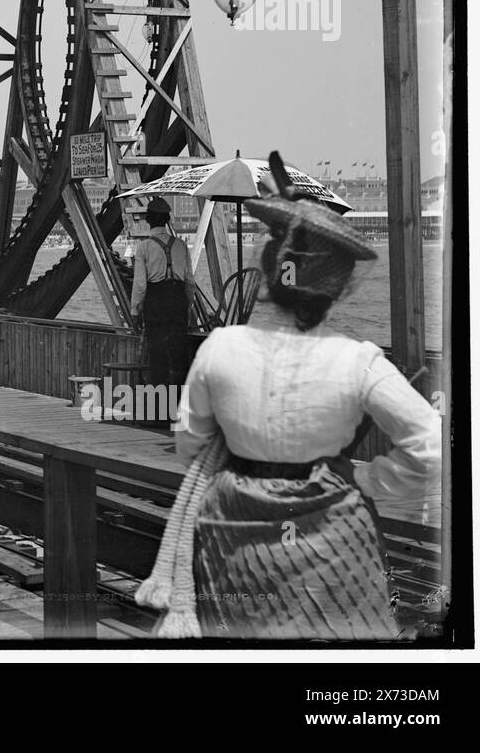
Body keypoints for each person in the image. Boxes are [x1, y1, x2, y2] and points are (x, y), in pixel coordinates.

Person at [137, 161, 442, 640]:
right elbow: (430, 445)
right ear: (338, 288)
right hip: (335, 536)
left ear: (268, 272)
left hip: (233, 532)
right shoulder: (358, 362)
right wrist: (366, 477)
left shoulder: (221, 350)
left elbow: (190, 446)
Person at [130, 196, 194, 387]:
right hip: (178, 301)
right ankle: (178, 404)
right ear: (167, 220)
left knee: (158, 356)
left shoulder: (144, 248)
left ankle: (159, 407)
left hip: (156, 302)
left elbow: (140, 285)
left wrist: (135, 312)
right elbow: (190, 282)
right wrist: (187, 307)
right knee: (179, 356)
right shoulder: (181, 245)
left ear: (148, 220)